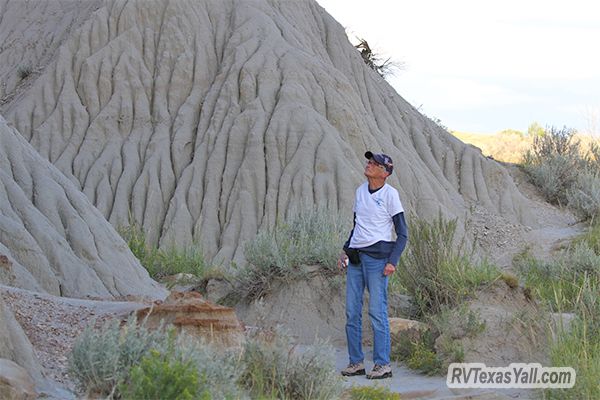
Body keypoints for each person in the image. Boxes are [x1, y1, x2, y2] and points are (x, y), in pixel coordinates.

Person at [338, 151, 408, 380]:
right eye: (368, 161)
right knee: (351, 312)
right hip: (356, 257)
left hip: (378, 259)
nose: (369, 165)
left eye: (374, 163)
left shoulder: (390, 195)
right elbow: (357, 226)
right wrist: (345, 250)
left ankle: (382, 365)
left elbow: (403, 234)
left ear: (385, 172)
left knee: (377, 312)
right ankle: (356, 363)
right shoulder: (360, 191)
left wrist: (392, 261)